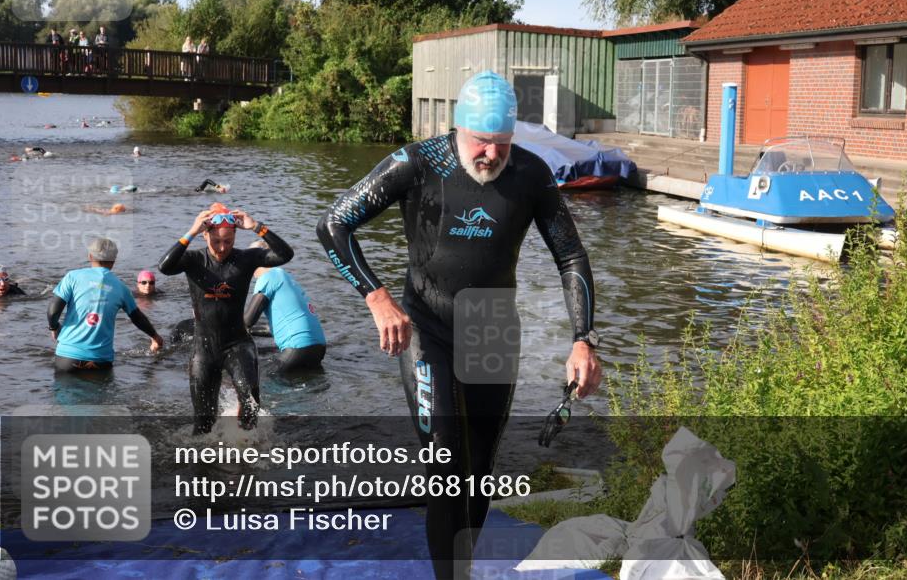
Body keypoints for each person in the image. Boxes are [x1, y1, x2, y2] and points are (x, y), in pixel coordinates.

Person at [317, 70, 602, 579]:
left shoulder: (532, 175)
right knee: (446, 468)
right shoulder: (417, 163)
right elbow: (333, 222)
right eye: (480, 142)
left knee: (477, 473)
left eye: (502, 144)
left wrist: (582, 340)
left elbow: (572, 257)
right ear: (458, 130)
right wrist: (377, 298)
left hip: (491, 326)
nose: (490, 155)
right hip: (426, 325)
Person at [158, 203, 293, 434]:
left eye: (228, 241)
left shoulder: (246, 258)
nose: (222, 248)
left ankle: (246, 450)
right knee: (203, 424)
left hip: (237, 344)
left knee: (251, 405)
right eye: (216, 241)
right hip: (204, 349)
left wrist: (256, 226)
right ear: (205, 234)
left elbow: (285, 254)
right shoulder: (193, 260)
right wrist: (190, 232)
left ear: (235, 236)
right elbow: (164, 266)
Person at [47, 238, 164, 372]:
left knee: (65, 392)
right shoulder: (121, 288)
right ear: (114, 261)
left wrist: (54, 328)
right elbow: (137, 318)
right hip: (101, 361)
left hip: (67, 358)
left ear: (90, 256)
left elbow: (53, 311)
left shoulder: (72, 277)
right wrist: (155, 337)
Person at [244, 241, 326, 372]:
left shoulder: (267, 278)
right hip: (318, 349)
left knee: (262, 382)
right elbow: (281, 325)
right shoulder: (285, 277)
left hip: (297, 348)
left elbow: (248, 320)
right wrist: (251, 332)